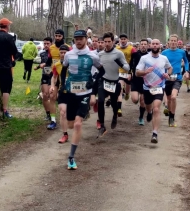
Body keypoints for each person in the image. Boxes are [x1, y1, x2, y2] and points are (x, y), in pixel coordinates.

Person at [59, 30, 103, 170]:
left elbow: (102, 71)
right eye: (76, 39)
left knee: (78, 124)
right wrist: (62, 86)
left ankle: (71, 157)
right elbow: (63, 69)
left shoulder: (92, 55)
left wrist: (93, 81)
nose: (78, 41)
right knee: (71, 124)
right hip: (71, 91)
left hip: (85, 92)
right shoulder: (68, 54)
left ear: (86, 39)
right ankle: (82, 113)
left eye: (81, 39)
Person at [136, 39, 172, 143]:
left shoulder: (164, 58)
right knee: (148, 107)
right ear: (150, 45)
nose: (155, 45)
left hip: (159, 87)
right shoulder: (144, 58)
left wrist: (168, 74)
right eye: (153, 44)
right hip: (147, 87)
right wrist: (144, 71)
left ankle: (155, 133)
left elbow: (170, 68)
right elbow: (137, 73)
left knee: (156, 109)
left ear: (160, 46)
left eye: (157, 43)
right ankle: (148, 112)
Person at [97, 32, 130, 137]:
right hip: (103, 80)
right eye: (105, 42)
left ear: (113, 42)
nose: (106, 44)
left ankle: (115, 115)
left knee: (114, 104)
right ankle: (102, 125)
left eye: (109, 42)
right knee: (101, 101)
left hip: (114, 82)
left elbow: (127, 68)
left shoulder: (118, 53)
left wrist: (120, 63)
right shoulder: (100, 54)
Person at [0, 18, 18, 119]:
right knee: (6, 88)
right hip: (6, 66)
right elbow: (14, 51)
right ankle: (5, 110)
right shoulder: (9, 37)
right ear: (7, 26)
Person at [161, 34, 189, 127]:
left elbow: (186, 61)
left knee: (173, 97)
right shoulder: (164, 52)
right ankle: (169, 112)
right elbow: (160, 63)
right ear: (168, 42)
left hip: (177, 77)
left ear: (177, 42)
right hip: (167, 78)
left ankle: (172, 118)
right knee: (169, 99)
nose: (173, 42)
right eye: (171, 41)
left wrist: (187, 71)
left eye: (175, 41)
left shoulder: (182, 52)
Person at [50, 44, 70, 143]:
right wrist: (53, 86)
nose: (63, 54)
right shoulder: (57, 65)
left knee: (72, 117)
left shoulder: (74, 63)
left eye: (65, 53)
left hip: (74, 91)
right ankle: (65, 134)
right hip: (63, 90)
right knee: (62, 112)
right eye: (61, 53)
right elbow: (54, 77)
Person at [34, 37, 56, 126]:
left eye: (48, 43)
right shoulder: (42, 53)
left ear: (51, 44)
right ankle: (48, 114)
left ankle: (52, 114)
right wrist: (38, 67)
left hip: (53, 77)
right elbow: (43, 63)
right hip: (44, 76)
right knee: (45, 95)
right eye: (44, 43)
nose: (46, 45)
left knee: (51, 96)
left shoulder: (54, 53)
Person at [116, 33, 136, 117]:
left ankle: (127, 94)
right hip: (119, 72)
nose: (123, 40)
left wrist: (131, 71)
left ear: (127, 40)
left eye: (124, 39)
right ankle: (119, 109)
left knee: (127, 90)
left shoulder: (132, 49)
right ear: (119, 40)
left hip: (128, 72)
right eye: (121, 39)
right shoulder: (116, 48)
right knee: (119, 90)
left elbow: (134, 61)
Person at [130, 38, 149, 125]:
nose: (143, 46)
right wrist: (129, 73)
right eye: (142, 44)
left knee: (142, 100)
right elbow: (130, 65)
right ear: (139, 45)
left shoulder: (150, 55)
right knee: (134, 99)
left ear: (148, 46)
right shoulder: (134, 54)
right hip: (135, 79)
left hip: (145, 80)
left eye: (145, 44)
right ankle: (138, 102)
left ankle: (141, 117)